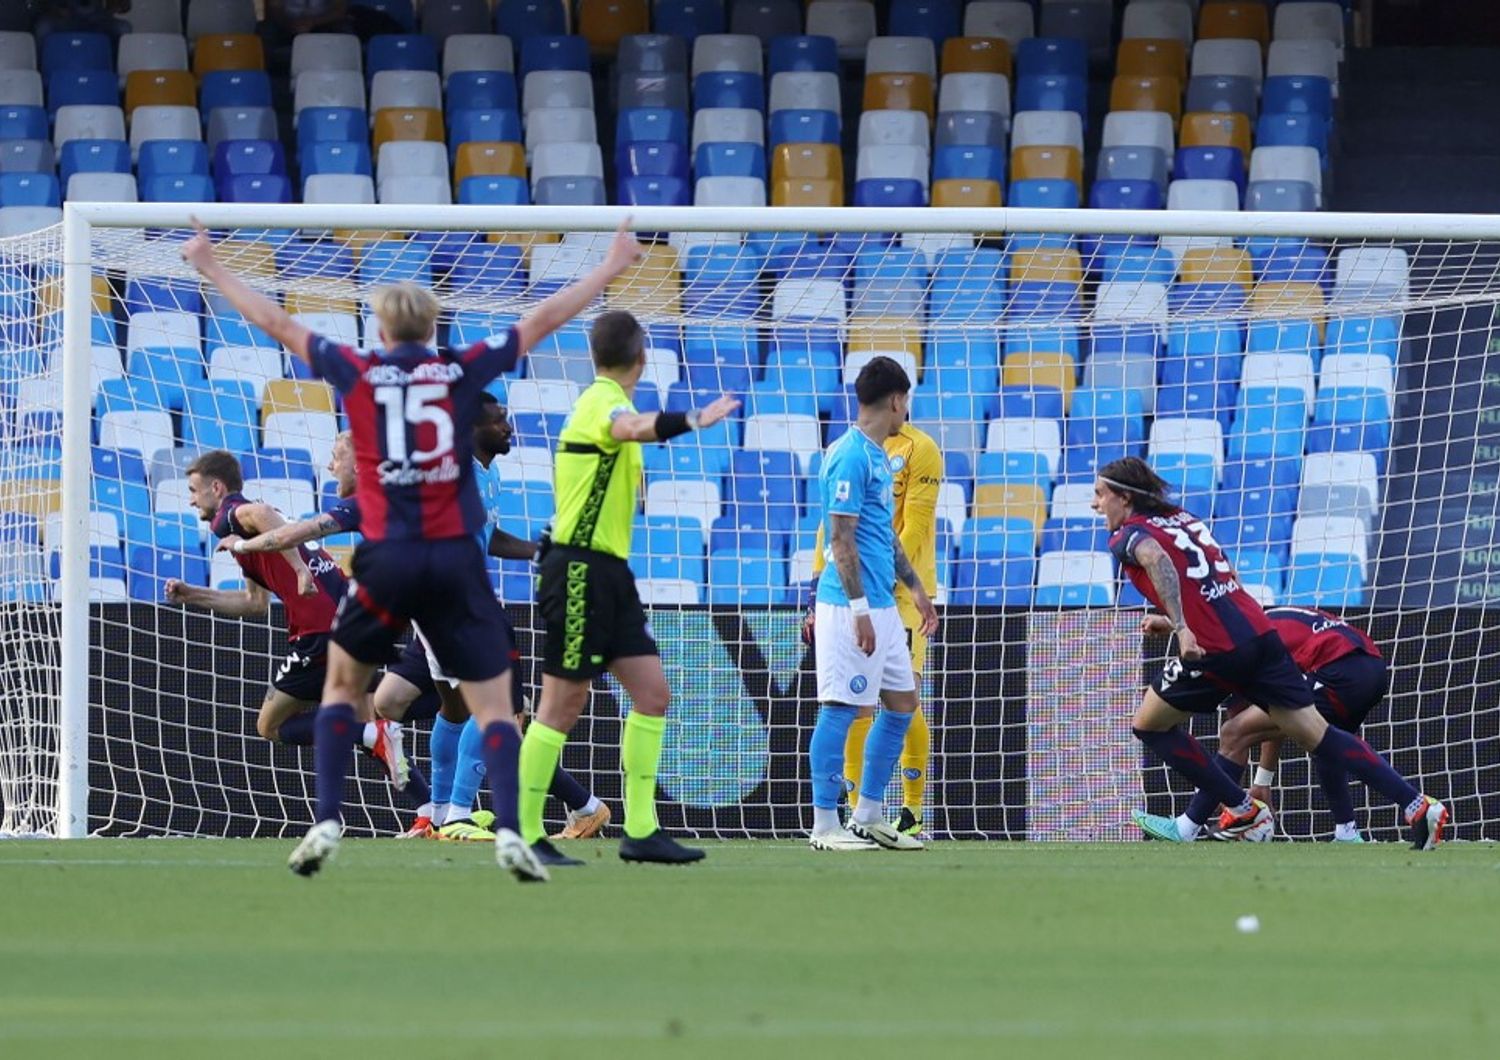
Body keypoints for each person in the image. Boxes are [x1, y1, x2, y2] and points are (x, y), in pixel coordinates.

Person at [183, 216, 648, 882]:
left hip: (390, 555)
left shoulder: (361, 372)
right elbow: (544, 318)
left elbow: (278, 324)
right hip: (456, 555)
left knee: (346, 688)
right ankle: (514, 830)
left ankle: (327, 819)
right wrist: (611, 266)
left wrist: (210, 264)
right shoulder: (460, 370)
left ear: (379, 330)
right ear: (432, 329)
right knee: (493, 703)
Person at [236, 419, 611, 844]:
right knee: (391, 700)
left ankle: (467, 814)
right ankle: (444, 811)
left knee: (495, 719)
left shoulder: (392, 495)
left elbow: (299, 530)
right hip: (429, 619)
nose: (328, 468)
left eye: (337, 458)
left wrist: (245, 544)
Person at [1092, 456, 1448, 850]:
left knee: (1148, 725)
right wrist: (1178, 616)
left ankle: (1242, 809)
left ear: (1124, 498)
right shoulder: (1186, 519)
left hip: (1217, 648)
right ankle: (1418, 804)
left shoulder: (1127, 535)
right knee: (1320, 735)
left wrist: (1182, 626)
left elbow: (1157, 560)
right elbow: (1223, 574)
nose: (1095, 504)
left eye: (1100, 494)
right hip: (1260, 633)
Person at [515, 309, 739, 866]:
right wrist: (692, 420)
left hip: (609, 573)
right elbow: (628, 427)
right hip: (579, 572)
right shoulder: (602, 403)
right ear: (642, 357)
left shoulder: (605, 400)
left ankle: (641, 830)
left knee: (653, 693)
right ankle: (522, 832)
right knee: (562, 705)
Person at [164, 450, 410, 790]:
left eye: (193, 490)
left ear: (217, 487)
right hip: (353, 616)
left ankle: (370, 735)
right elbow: (254, 604)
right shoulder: (247, 535)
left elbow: (263, 514)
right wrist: (192, 595)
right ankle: (429, 808)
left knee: (270, 725)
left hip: (320, 628)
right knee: (370, 718)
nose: (191, 501)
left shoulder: (234, 515)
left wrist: (300, 570)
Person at [806, 356, 940, 852]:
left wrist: (918, 590)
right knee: (842, 706)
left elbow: (883, 535)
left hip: (885, 603)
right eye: (907, 401)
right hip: (849, 606)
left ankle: (868, 814)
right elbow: (839, 540)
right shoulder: (849, 456)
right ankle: (825, 825)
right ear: (896, 400)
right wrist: (860, 609)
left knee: (902, 704)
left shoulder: (881, 455)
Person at [1141, 605, 1390, 843]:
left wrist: (1170, 624)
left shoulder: (1247, 642)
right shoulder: (1257, 625)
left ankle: (1188, 826)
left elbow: (1251, 716)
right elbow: (1278, 711)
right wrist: (1262, 782)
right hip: (1370, 665)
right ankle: (1347, 832)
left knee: (1234, 732)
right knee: (1325, 745)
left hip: (1340, 669)